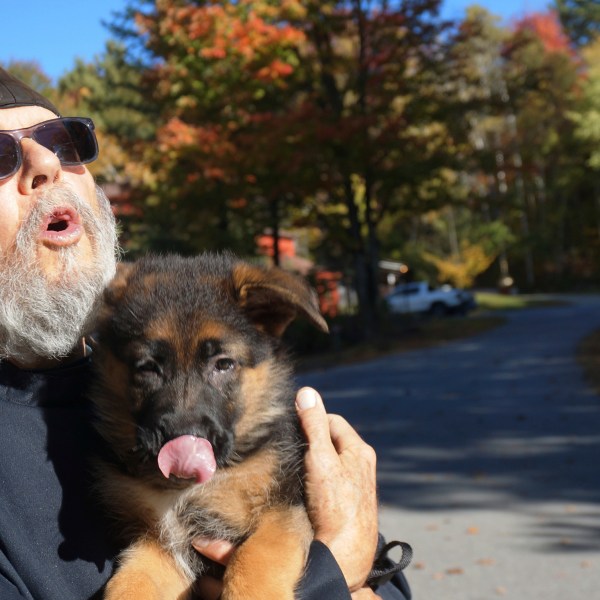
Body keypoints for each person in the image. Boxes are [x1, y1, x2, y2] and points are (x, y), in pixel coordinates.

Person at [0, 67, 411, 600]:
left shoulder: (129, 363)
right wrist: (332, 575)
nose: (47, 164)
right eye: (0, 156)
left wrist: (362, 573)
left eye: (65, 141)